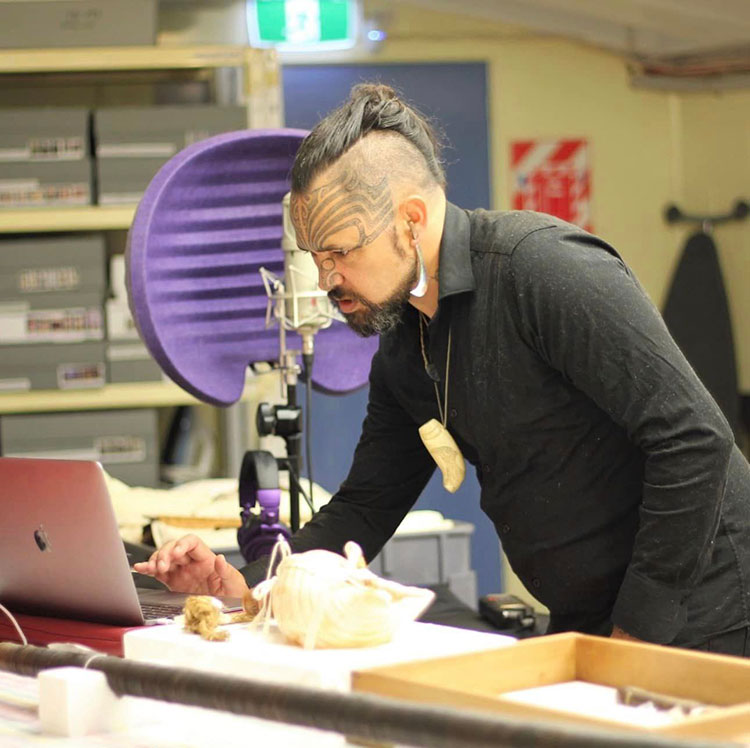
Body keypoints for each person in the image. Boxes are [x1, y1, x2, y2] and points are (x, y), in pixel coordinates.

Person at [135, 83, 750, 655]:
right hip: (593, 615)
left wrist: (637, 634)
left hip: (707, 611)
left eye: (341, 252)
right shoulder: (407, 335)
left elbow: (695, 440)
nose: (324, 280)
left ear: (411, 219)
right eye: (314, 257)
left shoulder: (542, 270)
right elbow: (365, 506)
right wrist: (242, 584)